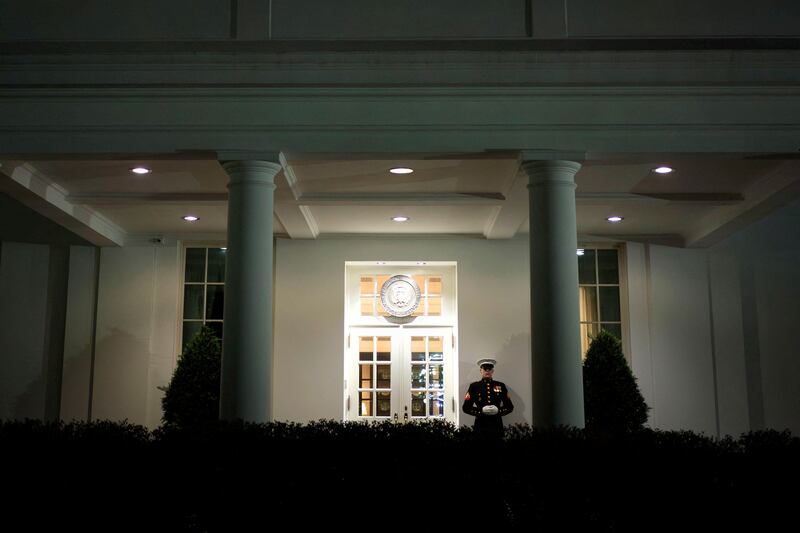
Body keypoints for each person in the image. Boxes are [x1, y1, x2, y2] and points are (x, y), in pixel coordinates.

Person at [462, 358, 514, 438]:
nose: (487, 371)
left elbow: (510, 407)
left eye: (489, 369)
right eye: (485, 369)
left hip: (496, 426)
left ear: (492, 371)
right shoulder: (474, 386)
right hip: (480, 426)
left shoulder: (500, 385)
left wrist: (498, 410)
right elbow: (466, 407)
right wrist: (481, 411)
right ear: (481, 370)